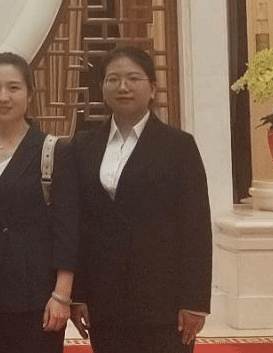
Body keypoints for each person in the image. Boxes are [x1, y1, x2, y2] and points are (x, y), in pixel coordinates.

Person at [70, 45, 212, 353]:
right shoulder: (83, 146)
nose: (123, 87)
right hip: (104, 299)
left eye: (133, 78)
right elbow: (79, 224)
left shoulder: (178, 146)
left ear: (153, 88)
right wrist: (78, 294)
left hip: (162, 300)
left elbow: (196, 227)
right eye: (113, 79)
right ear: (102, 87)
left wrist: (194, 301)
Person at [0, 52, 77, 353]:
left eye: (13, 88)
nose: (3, 97)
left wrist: (62, 295)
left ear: (30, 94)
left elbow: (68, 229)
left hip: (37, 299)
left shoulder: (53, 150)